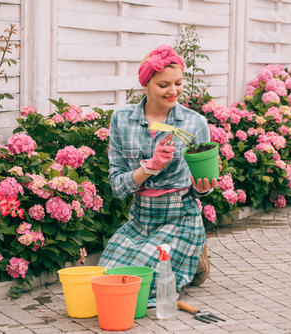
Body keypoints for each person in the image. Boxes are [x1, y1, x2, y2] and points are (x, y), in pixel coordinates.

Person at [98, 44, 219, 306]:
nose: (173, 91)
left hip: (180, 215)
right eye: (163, 85)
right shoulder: (122, 119)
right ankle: (189, 257)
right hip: (141, 218)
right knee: (109, 280)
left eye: (178, 83)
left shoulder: (194, 122)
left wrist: (204, 186)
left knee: (144, 284)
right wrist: (149, 168)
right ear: (146, 85)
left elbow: (202, 189)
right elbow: (118, 188)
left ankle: (194, 251)